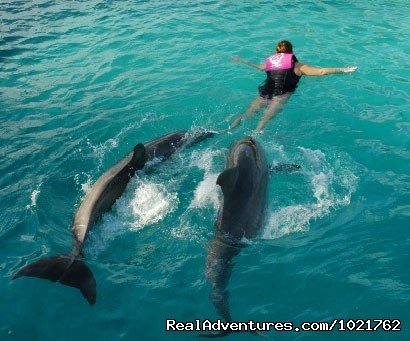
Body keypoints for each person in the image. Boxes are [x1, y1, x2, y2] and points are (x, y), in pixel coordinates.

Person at [229, 40, 357, 132]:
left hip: (265, 92)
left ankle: (227, 129)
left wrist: (241, 60)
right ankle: (254, 137)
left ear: (277, 52)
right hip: (281, 96)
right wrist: (343, 69)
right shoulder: (298, 66)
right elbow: (321, 72)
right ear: (291, 52)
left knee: (246, 114)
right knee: (263, 121)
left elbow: (257, 67)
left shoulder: (270, 63)